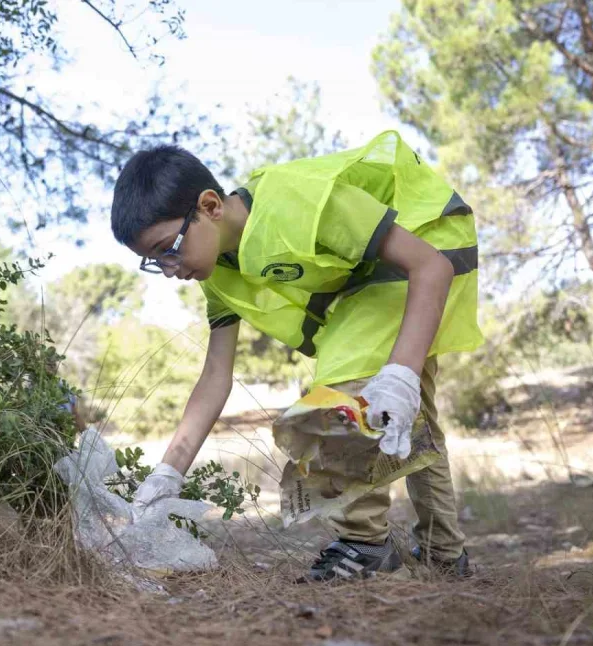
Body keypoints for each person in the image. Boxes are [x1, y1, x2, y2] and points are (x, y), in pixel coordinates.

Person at [109, 131, 483, 581]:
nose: (169, 270)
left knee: (347, 391)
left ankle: (365, 546)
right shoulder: (219, 277)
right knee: (407, 414)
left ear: (210, 207)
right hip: (369, 277)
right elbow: (214, 377)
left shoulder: (293, 204)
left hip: (429, 238)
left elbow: (431, 265)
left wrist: (400, 372)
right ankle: (445, 555)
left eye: (167, 249)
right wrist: (167, 473)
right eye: (154, 262)